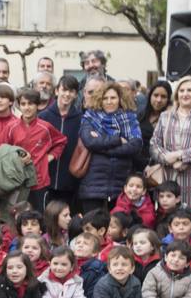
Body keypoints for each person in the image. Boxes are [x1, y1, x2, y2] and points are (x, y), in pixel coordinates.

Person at [150, 76, 191, 207]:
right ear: (176, 94)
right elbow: (154, 144)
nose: (185, 94)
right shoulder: (165, 116)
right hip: (169, 180)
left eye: (190, 90)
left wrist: (181, 156)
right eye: (182, 90)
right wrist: (167, 158)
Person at [77, 81, 142, 213]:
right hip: (93, 185)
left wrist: (101, 145)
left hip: (120, 184)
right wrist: (118, 140)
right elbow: (90, 142)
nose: (109, 101)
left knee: (117, 228)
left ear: (120, 99)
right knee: (92, 227)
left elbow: (135, 146)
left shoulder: (130, 119)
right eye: (105, 98)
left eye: (113, 98)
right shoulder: (90, 118)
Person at [41, 75, 83, 205]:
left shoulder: (81, 119)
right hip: (46, 180)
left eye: (71, 91)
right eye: (64, 90)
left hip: (70, 182)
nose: (67, 94)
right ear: (56, 91)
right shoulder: (43, 116)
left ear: (76, 95)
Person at [136, 80, 170, 170]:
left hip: (160, 167)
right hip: (137, 164)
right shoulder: (139, 114)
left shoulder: (171, 119)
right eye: (156, 95)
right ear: (150, 95)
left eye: (163, 97)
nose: (159, 100)